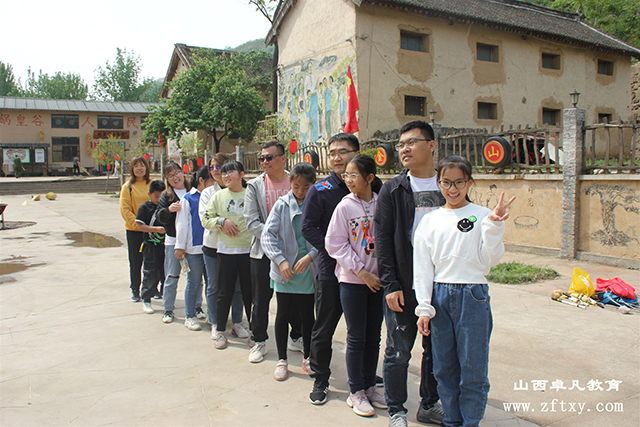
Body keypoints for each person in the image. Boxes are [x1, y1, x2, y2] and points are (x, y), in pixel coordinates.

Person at [415, 155, 515, 427]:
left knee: (473, 369)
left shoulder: (483, 215)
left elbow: (490, 260)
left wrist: (494, 226)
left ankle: (470, 422)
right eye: (446, 182)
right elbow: (422, 268)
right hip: (439, 296)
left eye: (459, 182)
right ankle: (452, 421)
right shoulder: (430, 221)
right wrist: (424, 307)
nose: (453, 189)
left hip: (473, 294)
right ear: (438, 183)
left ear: (469, 182)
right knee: (444, 368)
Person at [374, 120, 445, 427]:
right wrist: (391, 284)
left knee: (436, 349)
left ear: (431, 146)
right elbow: (383, 239)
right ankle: (396, 410)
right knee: (398, 350)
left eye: (411, 142)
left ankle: (429, 405)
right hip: (405, 282)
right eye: (401, 144)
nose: (404, 149)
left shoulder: (447, 184)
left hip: (442, 283)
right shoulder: (393, 189)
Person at [325, 154, 387, 417]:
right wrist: (362, 272)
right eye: (346, 175)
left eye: (354, 175)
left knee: (374, 337)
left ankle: (370, 385)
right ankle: (356, 391)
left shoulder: (383, 203)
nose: (348, 180)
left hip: (379, 282)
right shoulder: (344, 207)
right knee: (356, 336)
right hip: (353, 282)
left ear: (370, 178)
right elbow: (334, 244)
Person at [301, 132, 359, 405]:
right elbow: (308, 228)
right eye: (332, 152)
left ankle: (363, 377)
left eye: (343, 151)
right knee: (324, 327)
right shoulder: (320, 190)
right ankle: (320, 378)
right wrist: (337, 250)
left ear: (356, 153)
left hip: (363, 272)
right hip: (331, 271)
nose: (336, 157)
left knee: (362, 329)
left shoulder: (370, 185)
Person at [244, 141, 303, 364]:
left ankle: (296, 337)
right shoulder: (254, 186)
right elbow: (251, 222)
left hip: (293, 251)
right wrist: (274, 240)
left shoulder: (295, 181)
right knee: (261, 299)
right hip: (262, 252)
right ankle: (259, 340)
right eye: (262, 158)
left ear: (283, 158)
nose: (264, 162)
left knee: (295, 297)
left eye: (269, 157)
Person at [261, 162, 318, 381]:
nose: (300, 192)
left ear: (313, 184)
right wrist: (280, 260)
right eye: (296, 187)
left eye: (306, 187)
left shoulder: (317, 204)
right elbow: (267, 236)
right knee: (282, 314)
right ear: (290, 183)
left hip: (307, 269)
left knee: (307, 316)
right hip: (284, 270)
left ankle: (308, 357)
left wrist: (311, 256)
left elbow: (326, 237)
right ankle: (282, 359)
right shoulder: (281, 205)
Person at [201, 160, 253, 350]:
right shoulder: (218, 196)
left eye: (230, 171)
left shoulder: (251, 194)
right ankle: (221, 331)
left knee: (249, 294)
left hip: (249, 251)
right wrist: (222, 222)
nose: (226, 175)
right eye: (224, 173)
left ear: (242, 174)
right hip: (226, 251)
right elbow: (205, 219)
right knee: (224, 292)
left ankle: (255, 332)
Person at [175, 166, 214, 331]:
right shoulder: (188, 199)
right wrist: (180, 246)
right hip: (194, 249)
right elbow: (182, 224)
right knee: (194, 282)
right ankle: (189, 316)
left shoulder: (214, 196)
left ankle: (212, 316)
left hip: (211, 247)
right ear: (201, 180)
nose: (214, 184)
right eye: (211, 181)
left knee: (211, 284)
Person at [156, 162, 191, 324]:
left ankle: (197, 307)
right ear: (167, 179)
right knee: (172, 275)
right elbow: (160, 216)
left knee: (195, 277)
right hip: (173, 241)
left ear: (182, 172)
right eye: (170, 176)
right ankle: (168, 309)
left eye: (177, 173)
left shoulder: (192, 191)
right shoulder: (166, 196)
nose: (175, 177)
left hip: (192, 241)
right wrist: (169, 210)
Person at [119, 156, 151, 303]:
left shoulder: (152, 184)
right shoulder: (128, 186)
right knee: (136, 262)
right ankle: (135, 289)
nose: (139, 168)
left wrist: (152, 226)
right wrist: (138, 225)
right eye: (136, 166)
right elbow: (125, 209)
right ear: (132, 169)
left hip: (151, 230)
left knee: (152, 262)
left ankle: (151, 288)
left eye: (142, 165)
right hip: (134, 231)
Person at [135, 179, 166, 314]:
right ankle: (146, 299)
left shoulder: (166, 208)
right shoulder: (145, 208)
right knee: (149, 272)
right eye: (156, 196)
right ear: (149, 194)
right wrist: (155, 229)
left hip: (164, 246)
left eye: (161, 196)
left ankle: (164, 296)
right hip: (150, 245)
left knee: (164, 272)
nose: (158, 200)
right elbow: (140, 226)